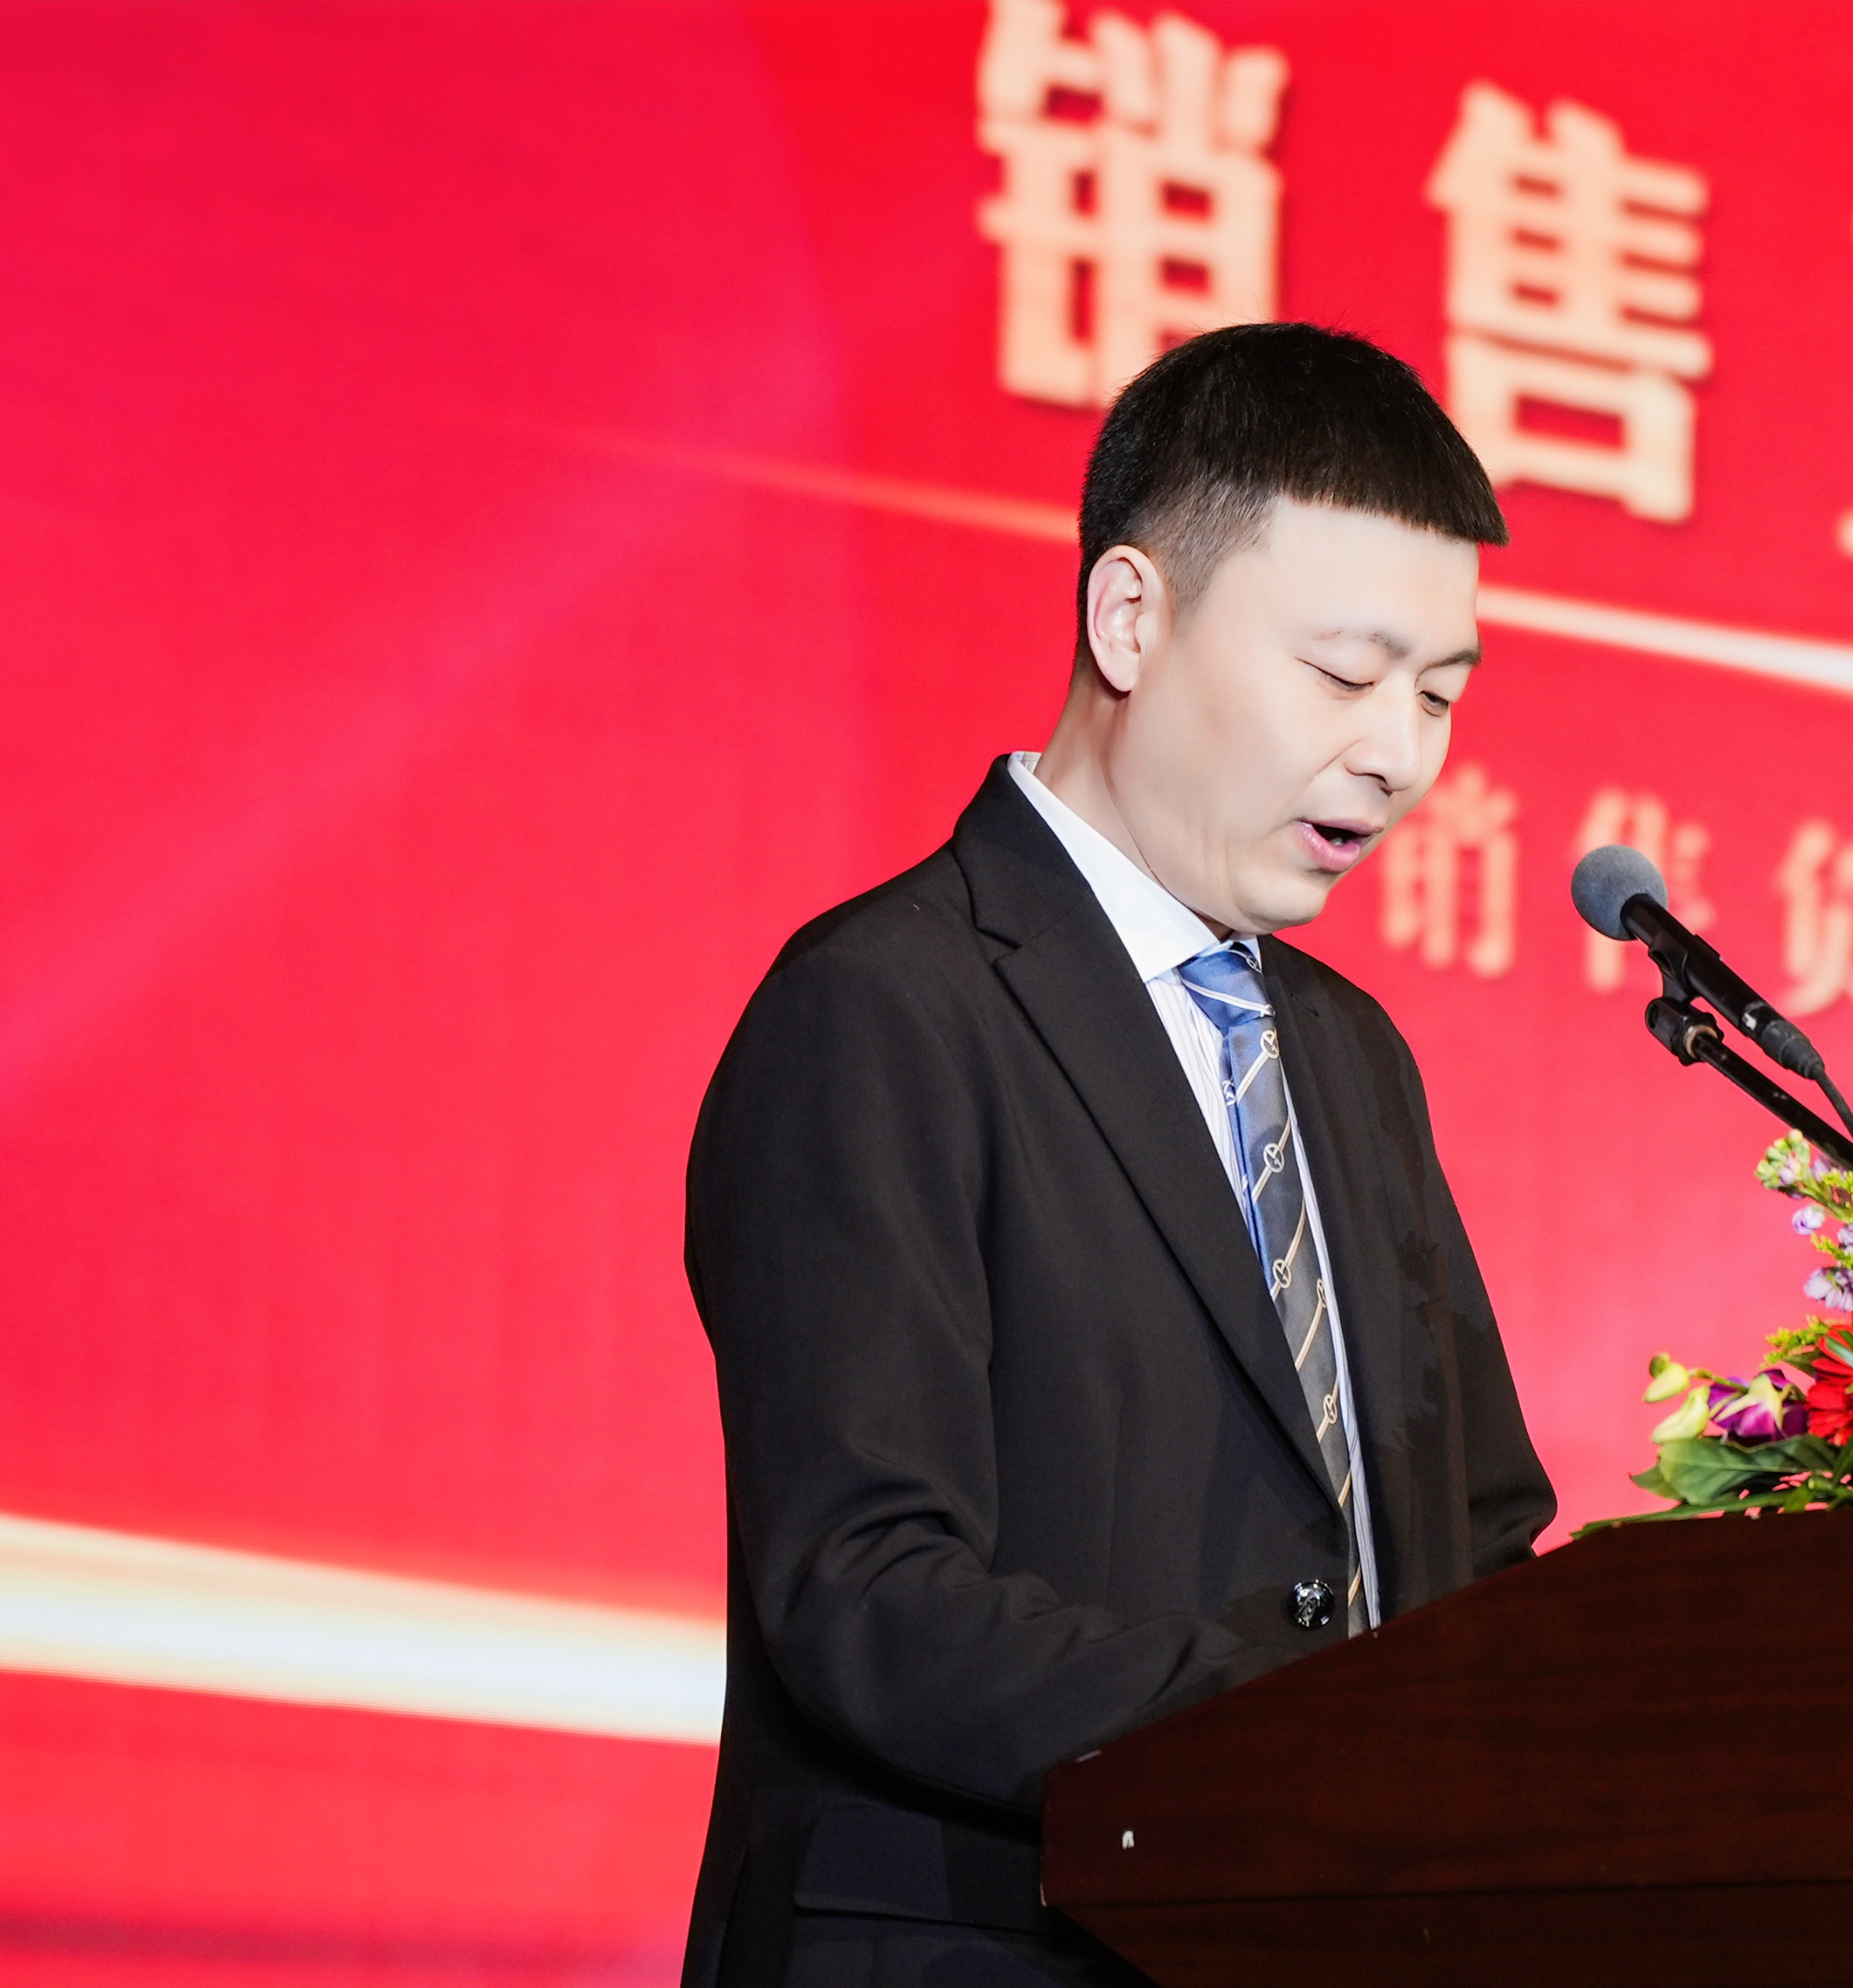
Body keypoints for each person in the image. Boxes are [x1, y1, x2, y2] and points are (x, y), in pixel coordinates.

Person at [678, 323, 1557, 1988]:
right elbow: (866, 1591)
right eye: (1345, 676)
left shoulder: (1351, 1058)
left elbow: (1475, 1540)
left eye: (1440, 694)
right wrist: (1311, 1731)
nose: (1399, 755)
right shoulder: (887, 1006)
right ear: (1130, 618)